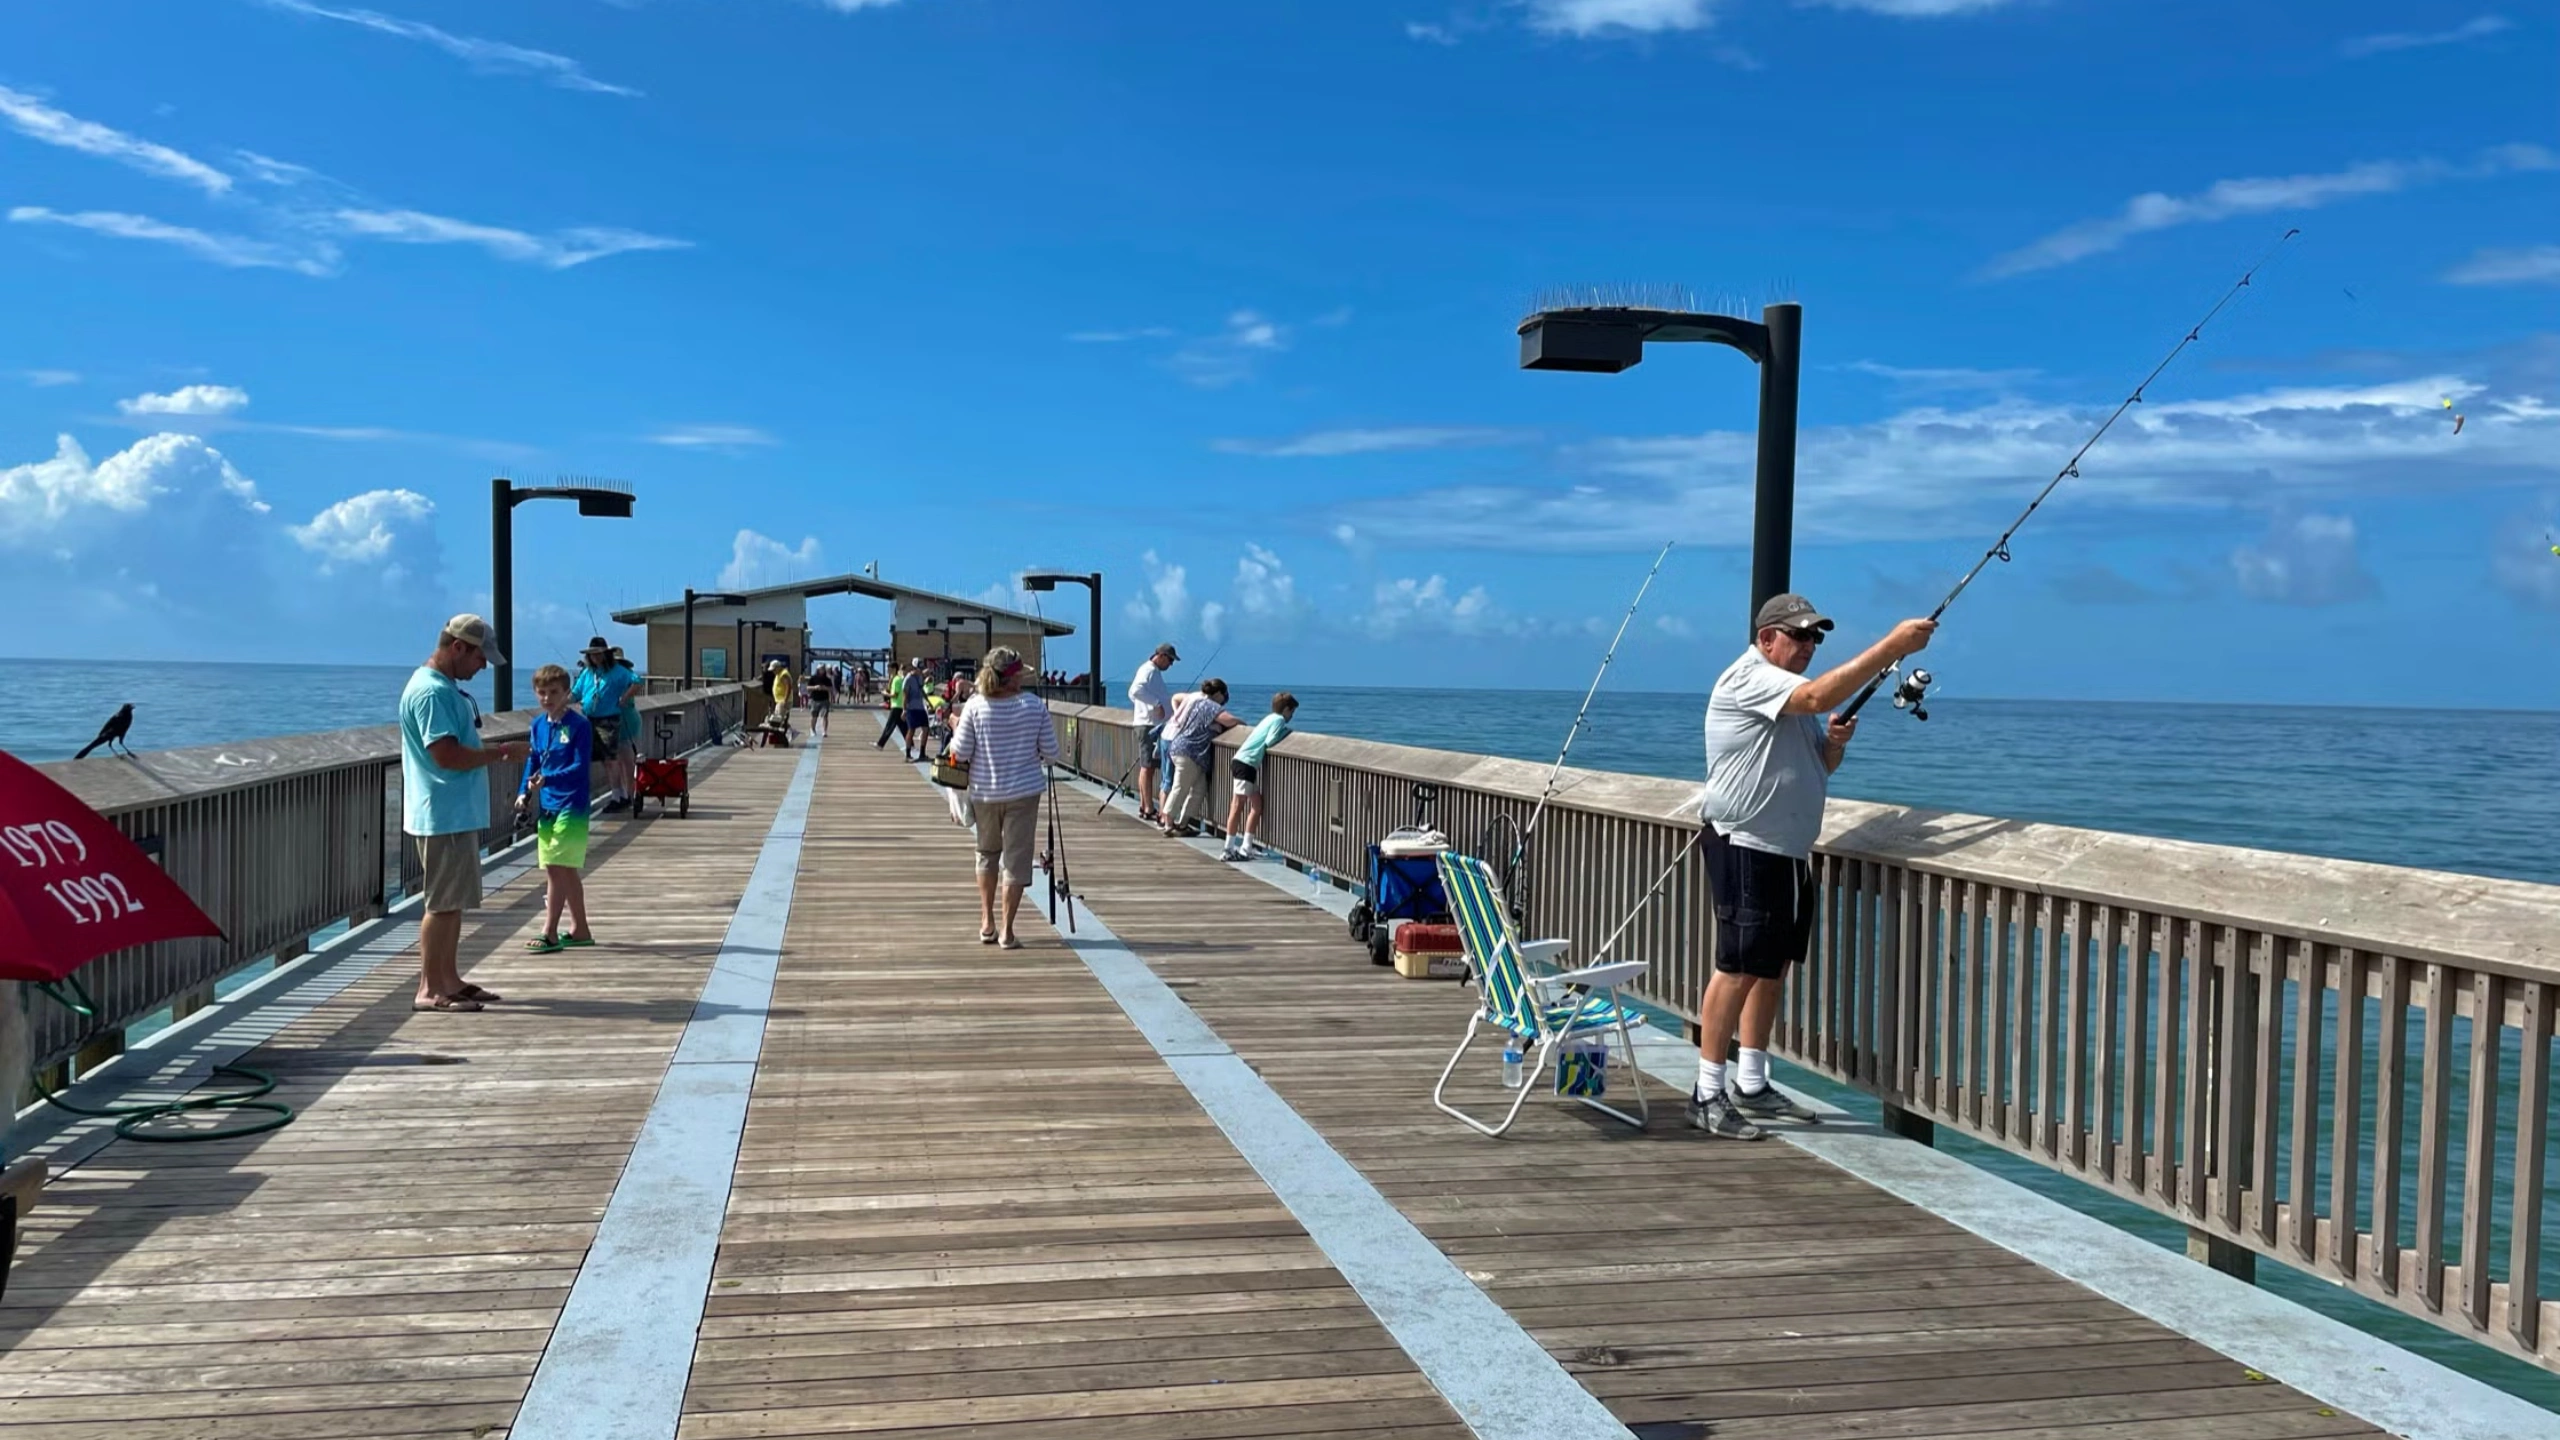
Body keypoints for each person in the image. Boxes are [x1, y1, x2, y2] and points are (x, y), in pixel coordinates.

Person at [1689, 593, 1935, 1139]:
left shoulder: (1786, 695)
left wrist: (1836, 746)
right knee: (1736, 968)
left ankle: (1751, 1081)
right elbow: (1819, 694)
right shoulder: (1749, 679)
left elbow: (1817, 764)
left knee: (1772, 970)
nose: (1808, 646)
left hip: (1789, 853)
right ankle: (1707, 1091)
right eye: (1798, 636)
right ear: (1766, 638)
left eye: (1815, 638)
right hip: (1746, 844)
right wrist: (1893, 645)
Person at [399, 615, 528, 1013]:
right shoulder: (431, 693)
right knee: (440, 904)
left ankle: (449, 980)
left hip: (453, 814)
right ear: (458, 647)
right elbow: (446, 755)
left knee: (452, 902)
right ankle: (429, 988)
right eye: (479, 657)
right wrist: (501, 753)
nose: (483, 667)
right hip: (442, 814)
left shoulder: (443, 689)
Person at [946, 647, 1061, 949]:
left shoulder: (974, 706)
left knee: (987, 853)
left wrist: (956, 726)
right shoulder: (1034, 706)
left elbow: (959, 753)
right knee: (1016, 860)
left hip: (984, 793)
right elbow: (1052, 755)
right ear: (1012, 677)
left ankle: (987, 922)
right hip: (1024, 793)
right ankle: (1008, 931)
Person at [515, 664, 597, 954]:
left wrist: (549, 778)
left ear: (567, 693)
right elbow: (533, 760)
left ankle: (549, 932)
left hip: (571, 804)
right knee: (565, 869)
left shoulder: (580, 726)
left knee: (556, 868)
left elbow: (579, 767)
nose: (547, 698)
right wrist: (524, 791)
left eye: (554, 692)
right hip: (547, 803)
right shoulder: (538, 725)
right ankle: (580, 929)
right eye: (542, 693)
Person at [1220, 692, 1297, 861]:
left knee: (1257, 804)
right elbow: (1270, 741)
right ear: (1286, 709)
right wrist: (1286, 733)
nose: (1291, 716)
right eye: (1292, 712)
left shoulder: (1269, 718)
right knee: (1237, 805)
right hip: (1246, 764)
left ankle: (1247, 846)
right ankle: (1228, 848)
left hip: (1244, 763)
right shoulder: (1279, 720)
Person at [1158, 677, 1238, 837]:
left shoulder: (1195, 701)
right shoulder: (1209, 705)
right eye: (1224, 694)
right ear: (1218, 694)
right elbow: (1229, 721)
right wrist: (1242, 723)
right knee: (1180, 787)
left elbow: (1177, 699)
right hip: (1189, 751)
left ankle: (1182, 823)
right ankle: (1168, 822)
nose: (1225, 698)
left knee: (1198, 789)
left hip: (1189, 752)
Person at [573, 638, 638, 813]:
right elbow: (575, 693)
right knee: (604, 760)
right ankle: (621, 794)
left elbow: (637, 681)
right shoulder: (588, 673)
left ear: (605, 654)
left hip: (609, 719)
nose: (595, 657)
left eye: (598, 654)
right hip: (590, 720)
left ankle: (618, 796)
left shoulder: (617, 671)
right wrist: (558, 707)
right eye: (592, 655)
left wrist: (624, 698)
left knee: (611, 759)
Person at [1126, 643, 1178, 823]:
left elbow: (1133, 697)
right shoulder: (1149, 671)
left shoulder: (1149, 671)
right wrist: (1155, 704)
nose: (1171, 665)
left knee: (1146, 766)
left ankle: (1144, 805)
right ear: (1161, 655)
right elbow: (1134, 691)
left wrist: (1149, 706)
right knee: (1148, 767)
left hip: (1149, 724)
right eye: (1170, 660)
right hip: (1148, 726)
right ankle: (1148, 807)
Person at [902, 657, 932, 761]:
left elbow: (921, 689)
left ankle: (922, 753)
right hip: (911, 708)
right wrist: (904, 710)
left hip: (920, 707)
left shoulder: (919, 677)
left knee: (926, 729)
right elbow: (905, 695)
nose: (921, 670)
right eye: (919, 668)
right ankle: (907, 754)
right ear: (914, 667)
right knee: (911, 730)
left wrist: (928, 702)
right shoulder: (908, 679)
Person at [875, 661, 910, 749]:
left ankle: (880, 744)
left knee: (889, 726)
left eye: (889, 669)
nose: (887, 670)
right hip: (898, 706)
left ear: (894, 669)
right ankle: (911, 745)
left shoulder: (897, 680)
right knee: (903, 728)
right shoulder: (895, 679)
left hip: (896, 706)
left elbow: (895, 694)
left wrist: (885, 694)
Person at [767, 658, 796, 735]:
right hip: (779, 700)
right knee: (778, 719)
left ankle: (785, 734)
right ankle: (788, 732)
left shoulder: (784, 674)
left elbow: (788, 686)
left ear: (778, 667)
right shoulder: (778, 674)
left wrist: (785, 700)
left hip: (783, 701)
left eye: (774, 669)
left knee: (778, 720)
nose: (773, 671)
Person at [805, 664, 833, 738]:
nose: (822, 670)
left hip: (824, 699)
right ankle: (812, 730)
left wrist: (824, 688)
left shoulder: (827, 679)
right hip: (815, 699)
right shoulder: (813, 678)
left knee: (825, 716)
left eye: (823, 669)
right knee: (814, 716)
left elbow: (831, 689)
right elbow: (807, 687)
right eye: (821, 669)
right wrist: (815, 687)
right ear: (817, 670)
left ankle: (824, 731)